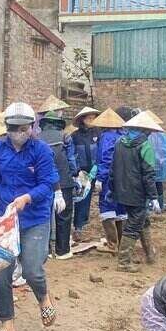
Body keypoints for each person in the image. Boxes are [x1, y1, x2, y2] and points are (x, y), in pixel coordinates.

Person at [0, 102, 60, 331]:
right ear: (7, 128)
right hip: (6, 220)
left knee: (32, 269)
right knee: (1, 274)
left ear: (32, 127)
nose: (18, 132)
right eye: (13, 128)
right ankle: (7, 325)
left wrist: (26, 198)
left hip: (34, 218)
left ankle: (44, 298)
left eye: (24, 128)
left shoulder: (41, 151)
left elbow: (47, 184)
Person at [113, 111, 162, 271]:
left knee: (142, 220)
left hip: (122, 190)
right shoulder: (145, 145)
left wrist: (112, 189)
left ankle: (150, 254)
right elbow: (149, 174)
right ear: (145, 130)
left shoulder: (119, 142)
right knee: (134, 224)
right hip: (137, 192)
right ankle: (124, 262)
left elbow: (113, 169)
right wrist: (154, 196)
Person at [40, 111, 78, 260]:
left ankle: (46, 250)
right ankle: (63, 251)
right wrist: (74, 174)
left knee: (43, 215)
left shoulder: (37, 138)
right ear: (58, 123)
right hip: (64, 181)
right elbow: (71, 160)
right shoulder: (65, 136)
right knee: (64, 214)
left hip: (42, 181)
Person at [93, 107, 131, 252]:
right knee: (121, 209)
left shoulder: (107, 137)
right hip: (123, 177)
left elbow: (106, 159)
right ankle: (122, 244)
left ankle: (112, 244)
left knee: (107, 208)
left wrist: (100, 178)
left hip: (110, 177)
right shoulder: (124, 135)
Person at [70, 106, 100, 243]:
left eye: (93, 118)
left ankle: (82, 224)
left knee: (89, 199)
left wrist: (97, 168)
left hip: (95, 170)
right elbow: (72, 154)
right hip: (81, 172)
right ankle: (78, 227)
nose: (91, 120)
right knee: (81, 198)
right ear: (82, 119)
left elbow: (100, 152)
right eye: (89, 118)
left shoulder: (98, 133)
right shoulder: (75, 136)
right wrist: (76, 170)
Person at [144, 111, 166, 210]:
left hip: (148, 163)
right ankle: (159, 206)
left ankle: (149, 207)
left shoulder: (144, 135)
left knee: (148, 184)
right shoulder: (163, 136)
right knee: (158, 184)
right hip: (161, 164)